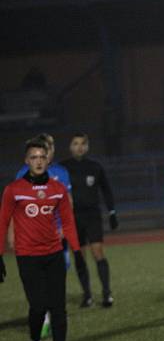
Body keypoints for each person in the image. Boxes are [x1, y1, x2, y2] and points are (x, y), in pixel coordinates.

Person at [0, 138, 80, 341]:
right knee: (38, 306)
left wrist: (76, 250)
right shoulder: (14, 190)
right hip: (28, 256)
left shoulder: (57, 189)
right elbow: (3, 221)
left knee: (59, 308)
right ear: (27, 161)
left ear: (48, 160)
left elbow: (67, 221)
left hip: (53, 253)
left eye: (41, 157)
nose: (38, 161)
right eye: (33, 157)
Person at [14, 133, 72, 338]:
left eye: (51, 147)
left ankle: (54, 310)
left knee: (59, 274)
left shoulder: (61, 172)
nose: (48, 152)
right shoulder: (22, 173)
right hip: (33, 238)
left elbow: (68, 201)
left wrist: (65, 227)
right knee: (38, 279)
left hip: (57, 235)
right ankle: (45, 313)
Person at [60, 132, 118, 308]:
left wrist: (112, 212)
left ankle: (106, 293)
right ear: (70, 147)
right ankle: (87, 295)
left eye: (82, 144)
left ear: (87, 147)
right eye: (75, 143)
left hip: (92, 216)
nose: (79, 147)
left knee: (98, 252)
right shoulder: (62, 168)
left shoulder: (95, 166)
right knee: (79, 256)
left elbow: (106, 190)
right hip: (72, 218)